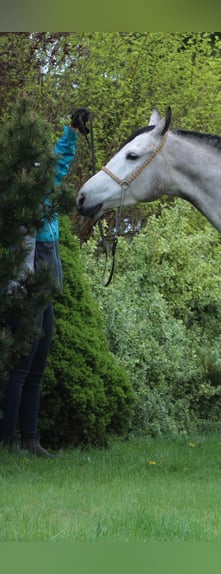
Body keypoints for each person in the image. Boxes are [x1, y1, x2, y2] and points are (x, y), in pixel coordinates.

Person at [0, 107, 91, 457]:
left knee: (37, 367)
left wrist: (71, 130)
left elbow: (61, 160)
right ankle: (9, 442)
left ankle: (31, 439)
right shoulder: (15, 191)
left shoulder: (42, 183)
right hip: (23, 286)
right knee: (21, 369)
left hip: (45, 287)